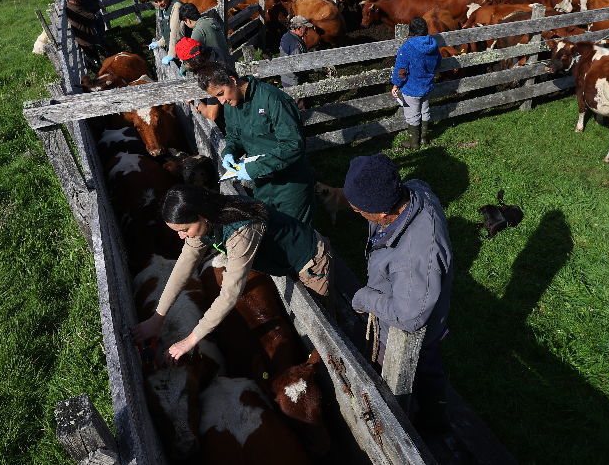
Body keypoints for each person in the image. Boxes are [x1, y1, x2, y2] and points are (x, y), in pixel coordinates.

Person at [133, 184, 333, 362]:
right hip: (281, 261)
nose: (181, 236)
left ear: (201, 216)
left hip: (311, 260)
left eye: (184, 229)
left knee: (324, 324)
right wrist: (157, 319)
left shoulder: (241, 230)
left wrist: (190, 340)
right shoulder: (208, 219)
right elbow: (183, 267)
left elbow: (230, 293)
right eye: (176, 231)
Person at [342, 153, 453, 430]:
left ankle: (432, 424)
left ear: (381, 213)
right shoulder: (412, 193)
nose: (355, 213)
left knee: (423, 371)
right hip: (414, 298)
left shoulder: (415, 254)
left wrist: (365, 298)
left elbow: (410, 317)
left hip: (414, 330)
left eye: (358, 210)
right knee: (427, 372)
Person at [196, 62, 315, 224]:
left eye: (221, 93)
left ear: (233, 80)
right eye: (216, 97)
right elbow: (234, 136)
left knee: (296, 231)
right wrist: (229, 151)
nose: (221, 101)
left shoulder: (272, 98)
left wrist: (253, 168)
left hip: (290, 182)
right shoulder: (232, 104)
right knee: (270, 229)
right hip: (262, 183)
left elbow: (294, 145)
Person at [391, 17, 441, 149]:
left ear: (411, 30)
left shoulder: (407, 47)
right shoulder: (433, 44)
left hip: (411, 87)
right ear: (426, 29)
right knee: (425, 110)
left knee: (412, 114)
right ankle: (424, 138)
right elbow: (438, 62)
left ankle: (414, 143)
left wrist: (396, 84)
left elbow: (401, 70)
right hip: (427, 85)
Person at [175, 37, 227, 126]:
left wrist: (200, 107)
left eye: (184, 62)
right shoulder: (214, 51)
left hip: (228, 119)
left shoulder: (211, 74)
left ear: (188, 63)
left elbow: (212, 114)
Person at [63, 0, 106, 72]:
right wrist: (95, 16)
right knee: (93, 56)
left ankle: (99, 67)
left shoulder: (73, 5)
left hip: (87, 35)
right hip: (86, 38)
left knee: (95, 54)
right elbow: (90, 17)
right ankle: (97, 71)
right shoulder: (74, 9)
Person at [178, 3, 233, 68]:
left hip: (217, 67)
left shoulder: (198, 31)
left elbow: (192, 55)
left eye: (184, 22)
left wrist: (183, 68)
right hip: (228, 61)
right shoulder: (211, 21)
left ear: (187, 20)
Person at [145, 0, 184, 68]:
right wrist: (160, 43)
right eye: (156, 2)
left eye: (161, 0)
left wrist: (171, 54)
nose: (159, 4)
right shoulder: (162, 8)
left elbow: (175, 32)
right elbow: (167, 30)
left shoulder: (176, 6)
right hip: (175, 48)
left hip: (183, 51)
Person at [279, 15, 313, 110]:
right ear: (298, 28)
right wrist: (316, 68)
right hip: (294, 80)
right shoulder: (296, 43)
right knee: (299, 107)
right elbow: (298, 66)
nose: (306, 31)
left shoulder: (286, 36)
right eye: (305, 28)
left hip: (286, 77)